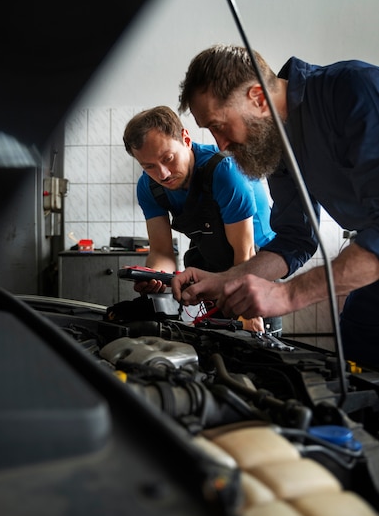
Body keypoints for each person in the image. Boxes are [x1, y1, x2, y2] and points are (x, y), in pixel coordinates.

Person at [172, 43, 379, 365]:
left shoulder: (352, 89)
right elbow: (296, 238)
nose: (221, 145)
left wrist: (288, 294)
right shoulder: (277, 143)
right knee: (357, 356)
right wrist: (228, 278)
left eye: (218, 125)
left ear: (257, 96)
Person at [123, 105, 278, 332]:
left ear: (185, 139)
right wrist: (156, 277)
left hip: (257, 267)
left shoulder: (225, 172)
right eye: (149, 166)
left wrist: (248, 313)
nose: (162, 174)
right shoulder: (149, 187)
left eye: (168, 158)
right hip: (211, 268)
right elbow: (162, 252)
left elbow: (244, 253)